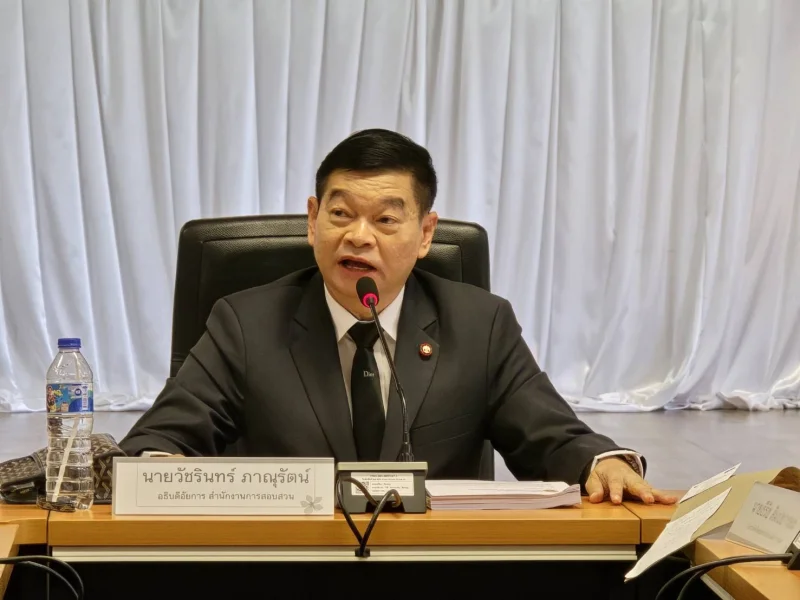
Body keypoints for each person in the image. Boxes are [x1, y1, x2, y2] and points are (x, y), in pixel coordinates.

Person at [121, 129, 676, 506]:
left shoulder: (479, 325)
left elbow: (552, 437)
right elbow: (162, 438)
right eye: (340, 213)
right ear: (313, 220)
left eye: (386, 220)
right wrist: (155, 468)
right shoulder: (245, 323)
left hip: (434, 572)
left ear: (426, 234)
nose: (358, 236)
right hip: (291, 569)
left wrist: (600, 464)